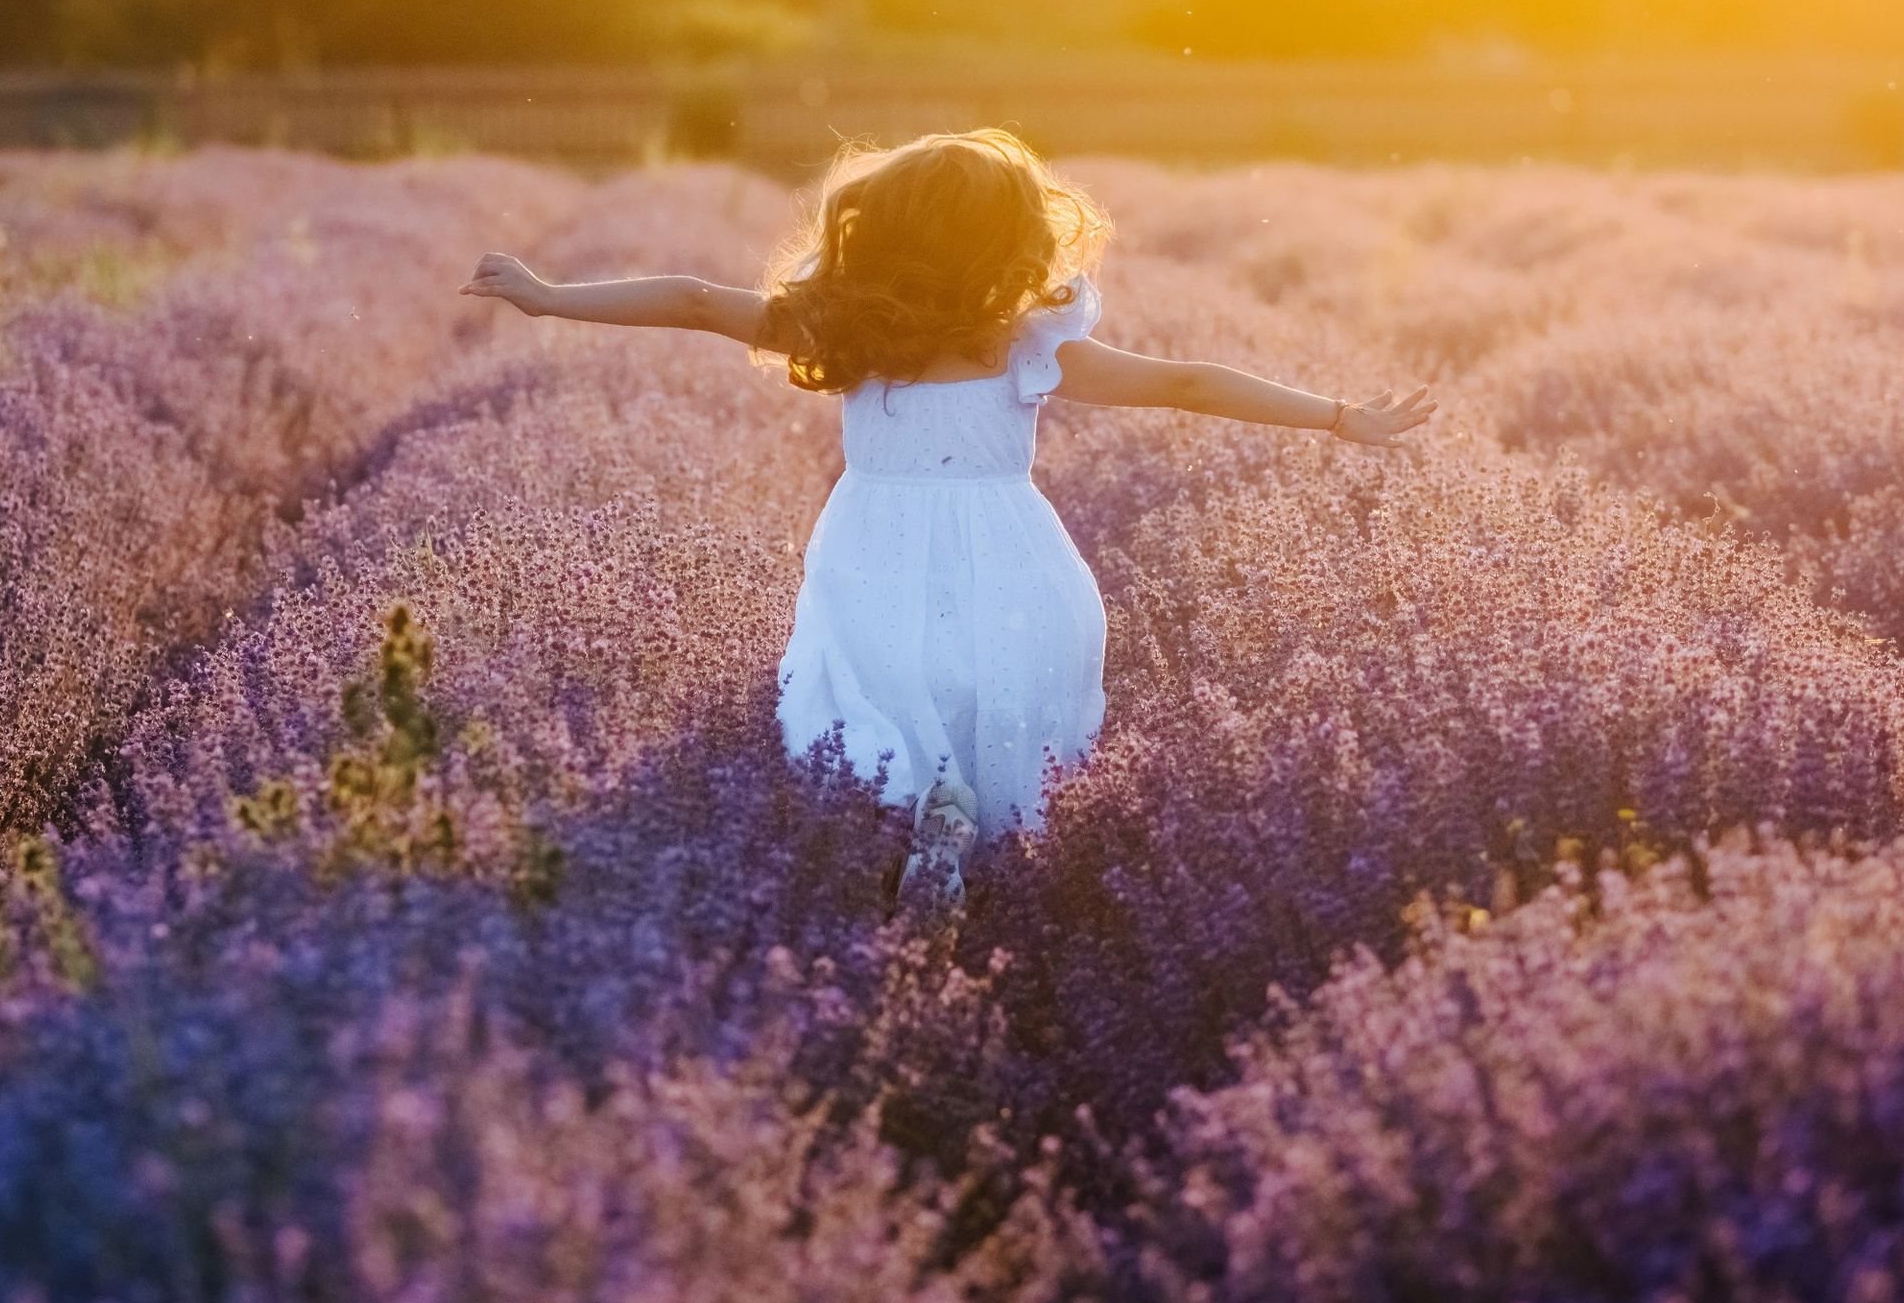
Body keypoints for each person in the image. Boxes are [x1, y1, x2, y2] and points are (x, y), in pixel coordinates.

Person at [461, 130, 1435, 906]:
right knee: (1001, 699)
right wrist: (1339, 416)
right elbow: (1183, 382)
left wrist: (548, 300)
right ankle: (980, 860)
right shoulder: (1025, 342)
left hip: (874, 547)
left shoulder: (839, 327)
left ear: (874, 231)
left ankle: (924, 817)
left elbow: (693, 298)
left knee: (870, 694)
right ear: (1012, 241)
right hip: (1010, 553)